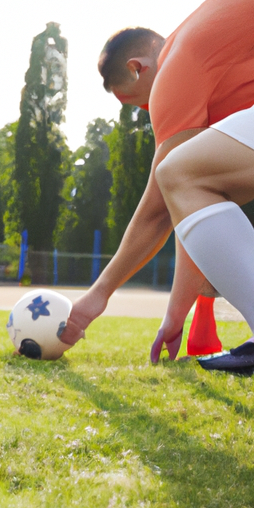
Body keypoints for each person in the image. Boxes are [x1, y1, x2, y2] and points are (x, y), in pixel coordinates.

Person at [60, 0, 254, 365]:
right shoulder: (213, 55)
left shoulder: (174, 69)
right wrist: (177, 313)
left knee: (175, 173)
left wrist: (96, 297)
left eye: (138, 102)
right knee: (186, 176)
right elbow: (193, 210)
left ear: (138, 68)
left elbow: (160, 207)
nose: (149, 113)